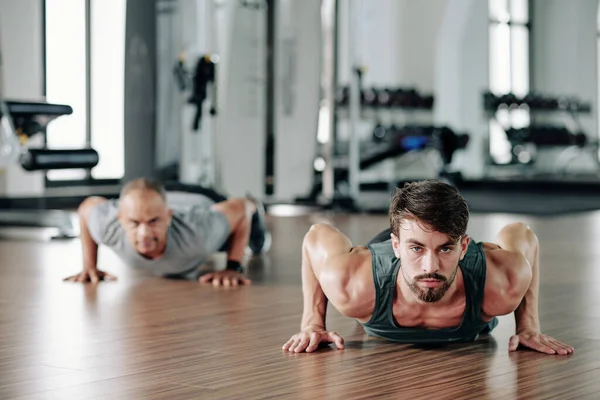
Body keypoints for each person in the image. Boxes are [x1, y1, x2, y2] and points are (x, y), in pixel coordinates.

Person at [282, 180, 574, 355]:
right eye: (416, 249)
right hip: (387, 264)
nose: (431, 267)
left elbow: (523, 234)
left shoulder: (501, 281)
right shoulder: (352, 284)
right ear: (396, 246)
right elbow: (316, 235)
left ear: (463, 247)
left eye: (446, 248)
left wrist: (528, 327)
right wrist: (313, 324)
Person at [64, 178, 271, 286]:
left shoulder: (199, 231)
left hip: (200, 199)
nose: (144, 233)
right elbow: (86, 208)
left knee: (257, 245)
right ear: (120, 219)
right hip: (157, 194)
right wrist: (90, 266)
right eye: (135, 223)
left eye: (153, 222)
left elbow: (242, 208)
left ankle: (258, 204)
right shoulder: (107, 224)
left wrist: (233, 267)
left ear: (168, 216)